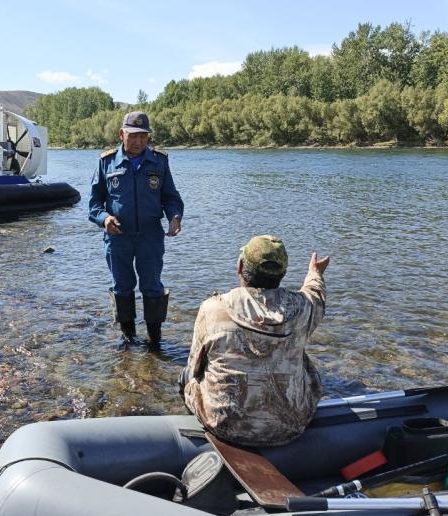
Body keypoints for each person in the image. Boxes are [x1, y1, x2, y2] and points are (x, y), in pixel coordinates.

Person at [181, 235, 330, 447]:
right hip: (290, 426)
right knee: (304, 362)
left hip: (224, 426)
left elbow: (194, 367)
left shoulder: (212, 309)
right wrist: (314, 273)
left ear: (240, 266)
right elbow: (315, 295)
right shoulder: (302, 308)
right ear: (283, 273)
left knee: (186, 374)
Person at [89, 111, 184, 348]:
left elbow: (171, 197)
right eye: (133, 136)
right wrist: (104, 219)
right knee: (122, 286)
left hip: (150, 236)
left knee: (152, 285)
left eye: (143, 136)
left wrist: (175, 216)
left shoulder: (159, 161)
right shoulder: (106, 162)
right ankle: (128, 338)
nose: (139, 141)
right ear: (122, 134)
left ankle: (154, 341)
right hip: (117, 237)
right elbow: (93, 204)